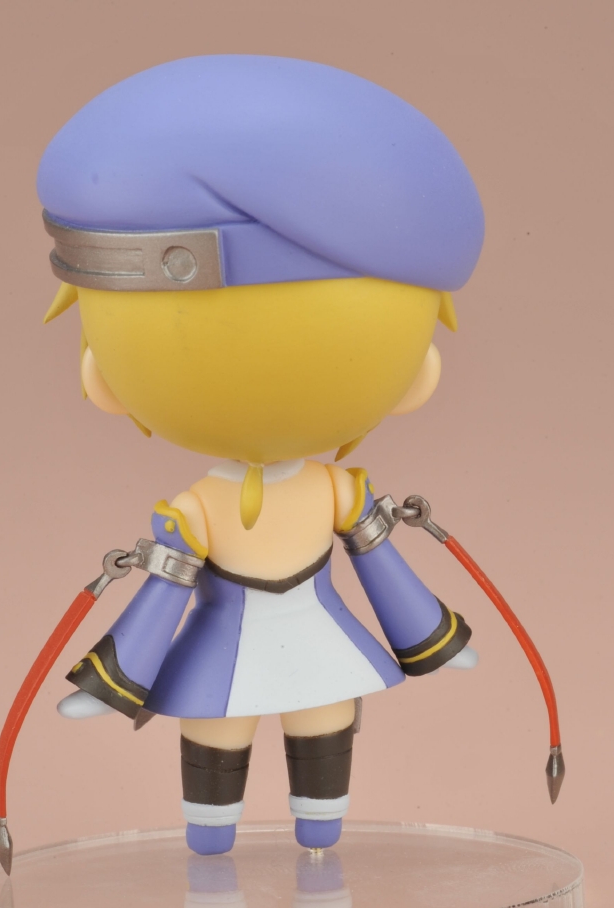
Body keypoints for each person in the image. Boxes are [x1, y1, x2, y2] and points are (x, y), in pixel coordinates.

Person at [39, 54, 484, 855]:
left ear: (95, 375)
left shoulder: (333, 494)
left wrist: (431, 636)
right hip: (226, 646)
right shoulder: (202, 511)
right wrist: (114, 679)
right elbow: (162, 595)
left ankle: (320, 828)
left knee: (322, 721)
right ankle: (212, 841)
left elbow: (383, 569)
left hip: (317, 635)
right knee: (220, 727)